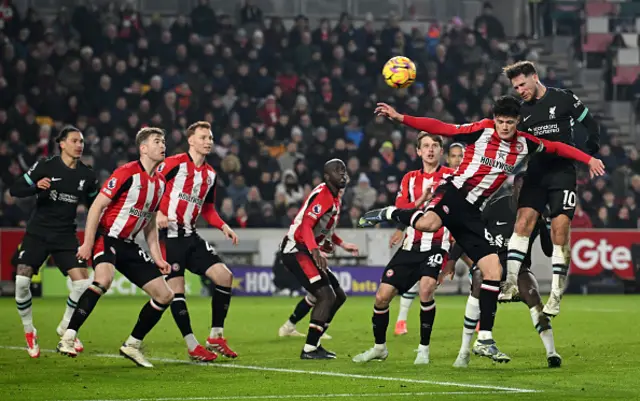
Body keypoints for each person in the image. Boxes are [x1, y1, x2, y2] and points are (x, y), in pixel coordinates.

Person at [359, 96, 605, 363]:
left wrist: (588, 159)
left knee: (493, 271)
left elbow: (557, 148)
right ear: (495, 120)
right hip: (454, 193)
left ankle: (485, 339)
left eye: (510, 123)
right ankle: (388, 212)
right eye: (500, 122)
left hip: (473, 212)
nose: (504, 127)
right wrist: (400, 117)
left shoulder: (525, 144)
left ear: (517, 122)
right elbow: (442, 127)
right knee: (428, 224)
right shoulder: (482, 129)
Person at [57, 127, 173, 368]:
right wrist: (88, 243)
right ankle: (68, 336)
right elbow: (96, 206)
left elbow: (150, 224)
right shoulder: (126, 173)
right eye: (157, 141)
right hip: (107, 237)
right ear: (143, 148)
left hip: (129, 245)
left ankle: (132, 344)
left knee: (165, 295)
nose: (163, 145)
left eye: (163, 141)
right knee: (104, 280)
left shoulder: (160, 183)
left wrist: (158, 258)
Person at [502, 61, 601, 317]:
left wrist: (590, 155)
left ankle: (556, 295)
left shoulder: (564, 99)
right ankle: (510, 283)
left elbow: (591, 125)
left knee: (560, 231)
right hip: (535, 173)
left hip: (562, 174)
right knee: (522, 223)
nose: (520, 90)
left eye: (523, 84)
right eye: (515, 87)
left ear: (535, 77)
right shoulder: (522, 113)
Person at [353, 132, 454, 364]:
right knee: (381, 297)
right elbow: (400, 207)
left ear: (441, 151)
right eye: (425, 146)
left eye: (435, 146)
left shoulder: (451, 177)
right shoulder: (409, 178)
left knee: (426, 289)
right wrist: (418, 204)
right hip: (410, 246)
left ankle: (424, 349)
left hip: (437, 244)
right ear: (418, 151)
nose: (430, 150)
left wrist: (453, 255)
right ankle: (379, 348)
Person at [443, 172, 561, 368]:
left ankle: (551, 352)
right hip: (492, 262)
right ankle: (463, 352)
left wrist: (544, 225)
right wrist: (452, 259)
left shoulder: (537, 212)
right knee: (480, 279)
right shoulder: (496, 206)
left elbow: (548, 251)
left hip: (519, 268)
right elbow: (471, 230)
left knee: (533, 294)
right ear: (514, 188)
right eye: (522, 190)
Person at [9, 126, 98, 358]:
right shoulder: (45, 166)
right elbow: (16, 189)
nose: (80, 145)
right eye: (75, 141)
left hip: (65, 236)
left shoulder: (87, 175)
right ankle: (30, 331)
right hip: (37, 233)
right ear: (62, 143)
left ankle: (66, 325)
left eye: (82, 141)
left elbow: (95, 207)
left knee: (83, 283)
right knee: (21, 282)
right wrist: (34, 186)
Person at [156, 121, 239, 361]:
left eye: (210, 137)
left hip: (191, 235)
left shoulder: (210, 175)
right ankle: (192, 345)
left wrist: (223, 226)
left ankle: (216, 336)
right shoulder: (173, 163)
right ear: (191, 140)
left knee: (225, 276)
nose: (208, 141)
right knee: (176, 291)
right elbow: (152, 186)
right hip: (170, 238)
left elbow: (209, 209)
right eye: (203, 137)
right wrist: (159, 213)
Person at [279, 159, 359, 359]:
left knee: (338, 296)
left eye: (344, 170)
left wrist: (341, 244)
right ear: (327, 176)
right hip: (296, 249)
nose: (343, 173)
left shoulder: (334, 197)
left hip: (307, 248)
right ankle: (309, 349)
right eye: (338, 170)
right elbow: (306, 225)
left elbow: (324, 228)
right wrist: (315, 251)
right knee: (326, 295)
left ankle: (315, 341)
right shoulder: (324, 195)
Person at [392, 140, 465, 336]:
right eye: (455, 156)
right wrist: (401, 227)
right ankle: (401, 320)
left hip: (447, 238)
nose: (457, 160)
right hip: (416, 239)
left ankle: (480, 323)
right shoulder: (411, 178)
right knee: (418, 283)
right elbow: (403, 207)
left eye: (461, 156)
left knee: (480, 270)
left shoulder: (455, 178)